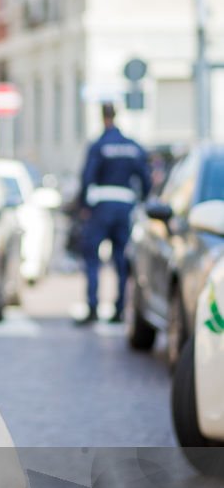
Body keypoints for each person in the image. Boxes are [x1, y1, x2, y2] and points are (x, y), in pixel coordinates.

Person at [77, 102, 151, 325]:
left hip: (101, 208)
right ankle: (120, 309)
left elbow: (87, 177)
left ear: (102, 117)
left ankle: (92, 307)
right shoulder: (132, 146)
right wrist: (142, 200)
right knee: (120, 259)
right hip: (124, 208)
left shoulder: (99, 145)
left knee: (92, 258)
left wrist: (83, 206)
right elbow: (145, 179)